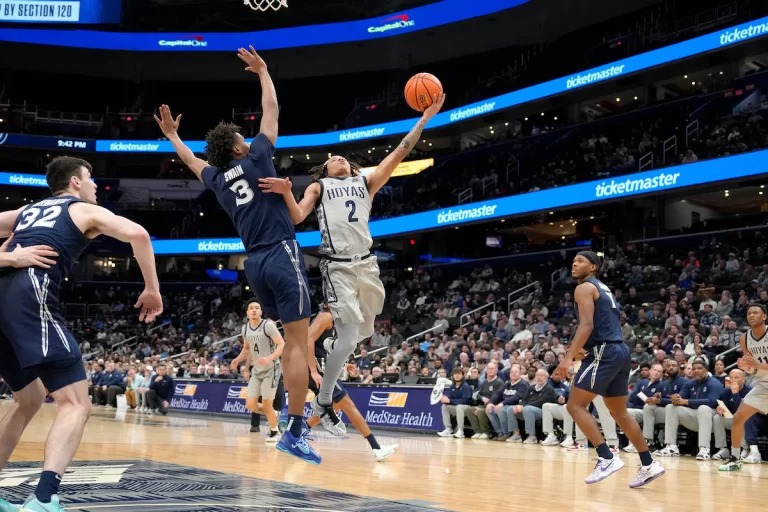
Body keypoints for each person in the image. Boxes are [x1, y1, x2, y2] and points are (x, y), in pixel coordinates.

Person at [154, 47, 319, 464]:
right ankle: (295, 428)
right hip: (280, 253)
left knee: (294, 341)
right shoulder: (258, 157)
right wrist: (264, 72)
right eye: (243, 138)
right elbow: (272, 110)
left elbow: (193, 161)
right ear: (240, 150)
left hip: (255, 266)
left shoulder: (217, 180)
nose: (250, 137)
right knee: (299, 346)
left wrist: (173, 136)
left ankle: (293, 420)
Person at [261, 93, 446, 437]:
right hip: (338, 268)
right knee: (346, 340)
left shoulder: (366, 182)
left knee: (365, 332)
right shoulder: (319, 187)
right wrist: (287, 191)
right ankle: (326, 398)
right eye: (333, 159)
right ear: (325, 170)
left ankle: (330, 371)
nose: (339, 159)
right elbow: (298, 215)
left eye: (344, 158)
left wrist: (425, 118)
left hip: (368, 265)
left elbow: (401, 151)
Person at [0, 156, 162, 512]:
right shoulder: (81, 209)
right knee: (76, 403)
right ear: (75, 183)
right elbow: (139, 233)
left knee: (28, 400)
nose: (95, 188)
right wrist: (152, 288)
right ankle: (43, 500)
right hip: (30, 297)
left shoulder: (30, 210)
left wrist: (7, 258)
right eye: (91, 181)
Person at [554, 251, 664, 488]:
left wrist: (567, 359)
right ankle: (648, 463)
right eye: (573, 261)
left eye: (580, 261)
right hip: (620, 351)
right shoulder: (603, 288)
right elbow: (603, 323)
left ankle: (606, 457)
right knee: (619, 412)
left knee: (575, 405)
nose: (574, 264)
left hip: (604, 351)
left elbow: (586, 325)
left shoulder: (583, 288)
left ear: (593, 267)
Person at [296, 307, 398, 461]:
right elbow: (308, 340)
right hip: (317, 369)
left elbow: (322, 349)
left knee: (336, 406)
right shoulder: (325, 316)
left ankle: (300, 431)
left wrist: (343, 366)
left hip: (320, 367)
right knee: (348, 405)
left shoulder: (334, 320)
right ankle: (377, 448)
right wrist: (313, 371)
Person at [718, 303, 768, 471]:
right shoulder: (744, 338)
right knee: (739, 417)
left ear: (764, 317)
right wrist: (748, 368)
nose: (751, 315)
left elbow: (758, 365)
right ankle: (735, 458)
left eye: (755, 312)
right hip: (763, 385)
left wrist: (757, 365)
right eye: (749, 313)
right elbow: (754, 369)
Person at [230, 298, 285, 443]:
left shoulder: (268, 326)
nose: (254, 310)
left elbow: (281, 345)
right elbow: (247, 349)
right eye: (251, 308)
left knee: (267, 403)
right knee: (251, 405)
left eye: (257, 308)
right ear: (247, 312)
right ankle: (275, 414)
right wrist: (237, 359)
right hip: (257, 370)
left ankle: (275, 432)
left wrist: (269, 358)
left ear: (261, 311)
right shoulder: (245, 328)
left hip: (272, 368)